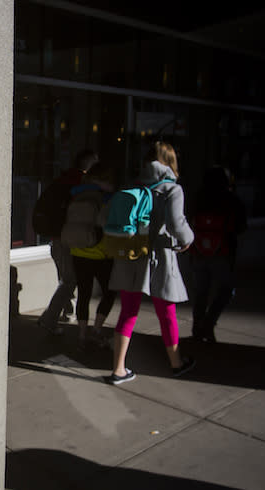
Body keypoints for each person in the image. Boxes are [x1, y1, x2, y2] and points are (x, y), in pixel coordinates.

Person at [107, 141, 195, 385]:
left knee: (128, 312)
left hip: (132, 255)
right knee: (167, 313)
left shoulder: (133, 186)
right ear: (170, 162)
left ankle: (118, 369)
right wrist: (189, 238)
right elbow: (177, 224)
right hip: (159, 258)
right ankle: (176, 363)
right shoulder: (172, 190)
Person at [36, 150, 99, 335]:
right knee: (69, 280)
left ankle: (64, 313)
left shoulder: (63, 179)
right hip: (68, 238)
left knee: (66, 278)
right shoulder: (81, 183)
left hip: (57, 238)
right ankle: (49, 320)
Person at [63, 161, 118, 349]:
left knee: (84, 293)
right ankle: (96, 330)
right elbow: (106, 223)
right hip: (101, 253)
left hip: (78, 251)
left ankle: (81, 334)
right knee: (110, 292)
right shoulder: (107, 197)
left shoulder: (76, 194)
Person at [189, 166, 247, 343]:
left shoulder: (197, 198)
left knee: (201, 291)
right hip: (223, 252)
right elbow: (241, 227)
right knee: (226, 289)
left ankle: (198, 326)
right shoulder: (231, 200)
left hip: (198, 251)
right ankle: (209, 322)